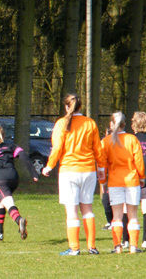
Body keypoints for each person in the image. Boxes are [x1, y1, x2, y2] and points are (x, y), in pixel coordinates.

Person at [42, 94, 106, 256]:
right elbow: (98, 149)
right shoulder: (90, 123)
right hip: (88, 170)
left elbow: (57, 148)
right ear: (80, 107)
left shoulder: (61, 123)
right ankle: (92, 246)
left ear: (66, 107)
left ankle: (74, 248)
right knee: (88, 209)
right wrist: (101, 168)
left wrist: (49, 166)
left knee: (72, 212)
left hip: (69, 171)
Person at [0, 125, 39, 241]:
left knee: (8, 202)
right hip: (13, 178)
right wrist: (34, 173)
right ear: (4, 136)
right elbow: (24, 156)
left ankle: (19, 219)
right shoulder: (10, 146)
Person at [101, 112, 145, 253]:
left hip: (114, 181)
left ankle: (117, 246)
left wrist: (103, 181)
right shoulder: (132, 139)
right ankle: (133, 246)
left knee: (117, 216)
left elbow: (102, 164)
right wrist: (142, 177)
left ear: (111, 124)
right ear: (124, 124)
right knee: (132, 214)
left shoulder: (107, 141)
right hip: (132, 180)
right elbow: (139, 161)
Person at [132, 112, 146, 249]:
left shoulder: (129, 139)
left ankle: (126, 240)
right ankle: (145, 240)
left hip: (132, 178)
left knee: (128, 209)